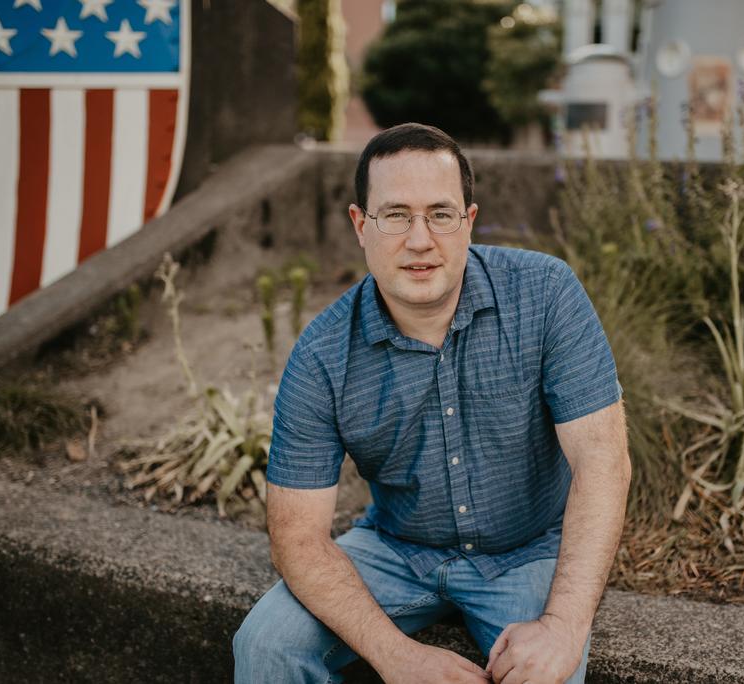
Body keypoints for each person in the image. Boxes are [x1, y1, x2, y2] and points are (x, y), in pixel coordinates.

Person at [233, 123, 631, 684]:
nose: (419, 240)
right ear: (360, 225)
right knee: (266, 645)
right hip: (395, 550)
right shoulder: (323, 355)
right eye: (395, 215)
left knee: (546, 673)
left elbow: (602, 461)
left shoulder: (546, 295)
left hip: (528, 552)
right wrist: (396, 656)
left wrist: (564, 624)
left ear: (468, 221)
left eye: (440, 214)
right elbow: (296, 536)